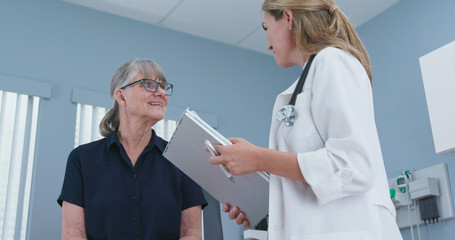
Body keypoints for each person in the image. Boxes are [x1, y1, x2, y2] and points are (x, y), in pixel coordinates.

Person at [207, 0, 403, 239]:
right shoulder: (304, 85)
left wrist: (258, 158)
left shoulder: (332, 61)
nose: (267, 44)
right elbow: (313, 178)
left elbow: (352, 166)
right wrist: (262, 201)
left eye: (266, 28)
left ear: (288, 19)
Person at [58, 58, 207, 240]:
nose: (161, 93)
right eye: (149, 84)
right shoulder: (81, 159)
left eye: (163, 86)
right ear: (121, 97)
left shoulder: (183, 160)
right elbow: (73, 234)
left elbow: (191, 234)